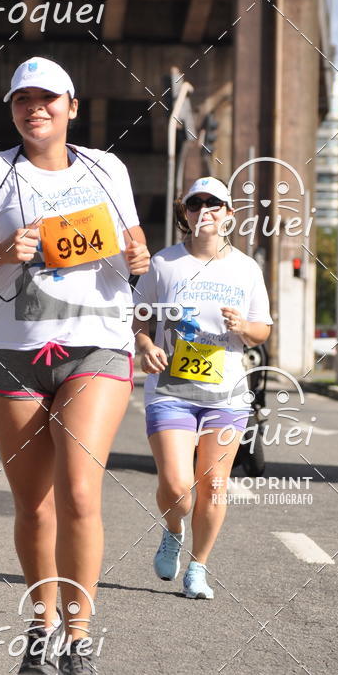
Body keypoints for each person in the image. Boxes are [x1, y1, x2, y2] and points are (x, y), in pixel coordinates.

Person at [0, 57, 150, 675]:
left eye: (48, 98)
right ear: (11, 109)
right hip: (15, 351)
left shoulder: (106, 169)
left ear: (72, 106)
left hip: (97, 344)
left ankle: (80, 642)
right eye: (22, 99)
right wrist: (2, 252)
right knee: (34, 505)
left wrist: (139, 253)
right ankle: (42, 626)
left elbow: (133, 242)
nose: (36, 108)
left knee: (79, 491)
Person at [134, 176, 272, 599]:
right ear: (186, 213)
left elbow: (262, 330)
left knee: (213, 485)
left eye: (214, 203)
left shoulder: (246, 269)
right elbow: (139, 317)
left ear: (229, 213)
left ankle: (198, 568)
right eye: (196, 204)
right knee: (178, 486)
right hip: (171, 391)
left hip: (226, 394)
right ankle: (173, 529)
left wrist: (243, 327)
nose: (204, 211)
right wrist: (145, 345)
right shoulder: (164, 263)